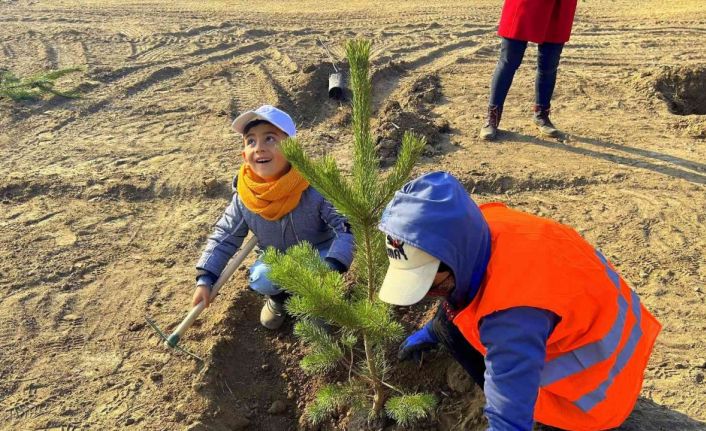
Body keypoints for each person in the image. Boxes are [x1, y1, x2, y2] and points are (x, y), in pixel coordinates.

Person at [377, 171, 661, 431]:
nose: (429, 294)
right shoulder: (481, 229)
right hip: (600, 331)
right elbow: (460, 287)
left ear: (453, 258)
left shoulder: (512, 317)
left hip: (593, 393)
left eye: (431, 284)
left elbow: (509, 424)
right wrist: (435, 329)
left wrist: (507, 410)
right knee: (452, 324)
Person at [192, 105, 354, 329]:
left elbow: (345, 225)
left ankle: (318, 304)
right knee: (262, 276)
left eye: (270, 139)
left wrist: (334, 263)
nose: (259, 148)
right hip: (276, 259)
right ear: (244, 155)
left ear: (291, 148)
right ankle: (279, 300)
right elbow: (224, 236)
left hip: (318, 254)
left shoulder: (314, 185)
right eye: (251, 141)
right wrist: (205, 277)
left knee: (319, 282)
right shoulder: (245, 196)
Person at [480, 0, 579, 140]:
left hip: (559, 5)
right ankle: (492, 118)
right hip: (524, 4)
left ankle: (541, 115)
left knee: (549, 64)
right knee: (509, 60)